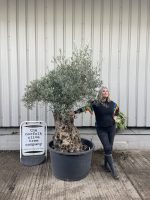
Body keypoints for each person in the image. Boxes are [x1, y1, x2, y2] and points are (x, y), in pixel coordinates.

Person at [73, 86, 119, 179]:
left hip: (112, 128)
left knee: (109, 147)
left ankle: (106, 166)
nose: (105, 92)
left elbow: (117, 112)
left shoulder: (113, 104)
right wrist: (74, 112)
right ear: (101, 93)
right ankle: (113, 169)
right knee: (107, 147)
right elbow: (84, 108)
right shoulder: (95, 103)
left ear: (108, 93)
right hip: (101, 129)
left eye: (107, 91)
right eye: (103, 91)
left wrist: (116, 119)